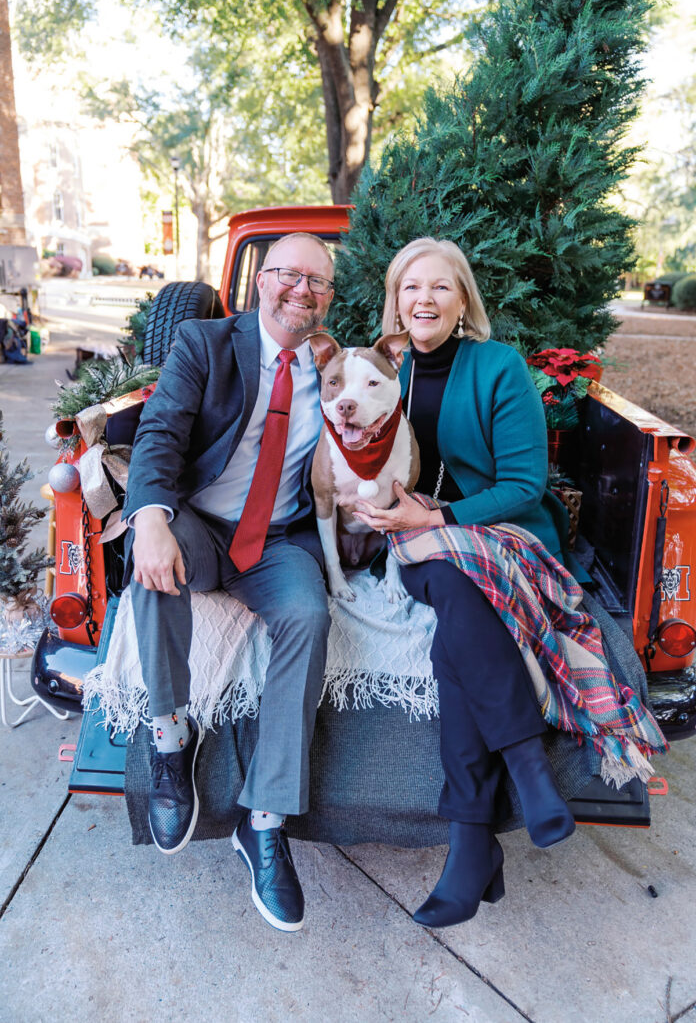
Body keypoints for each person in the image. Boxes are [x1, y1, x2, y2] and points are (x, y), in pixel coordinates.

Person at [354, 237, 580, 929]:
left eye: (440, 288)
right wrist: (381, 515)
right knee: (448, 582)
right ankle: (525, 777)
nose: (424, 299)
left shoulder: (498, 366)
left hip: (498, 533)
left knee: (457, 605)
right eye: (410, 287)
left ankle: (472, 840)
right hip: (413, 543)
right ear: (395, 300)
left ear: (463, 302)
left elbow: (524, 484)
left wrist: (444, 514)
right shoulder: (375, 367)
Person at [122, 233, 335, 933]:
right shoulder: (204, 341)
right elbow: (160, 432)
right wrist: (150, 514)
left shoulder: (333, 367)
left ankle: (264, 820)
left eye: (317, 282)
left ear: (329, 299)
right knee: (152, 560)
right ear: (260, 281)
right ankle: (169, 736)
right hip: (202, 524)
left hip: (276, 541)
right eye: (287, 275)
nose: (300, 290)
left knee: (308, 613)